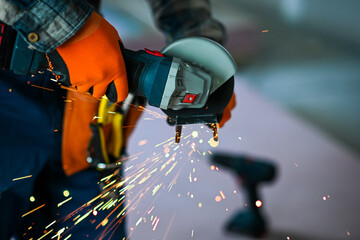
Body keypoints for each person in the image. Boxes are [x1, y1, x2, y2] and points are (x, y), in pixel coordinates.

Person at [0, 0, 233, 239]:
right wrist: (62, 24)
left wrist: (201, 43)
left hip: (86, 81)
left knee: (96, 225)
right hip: (10, 72)